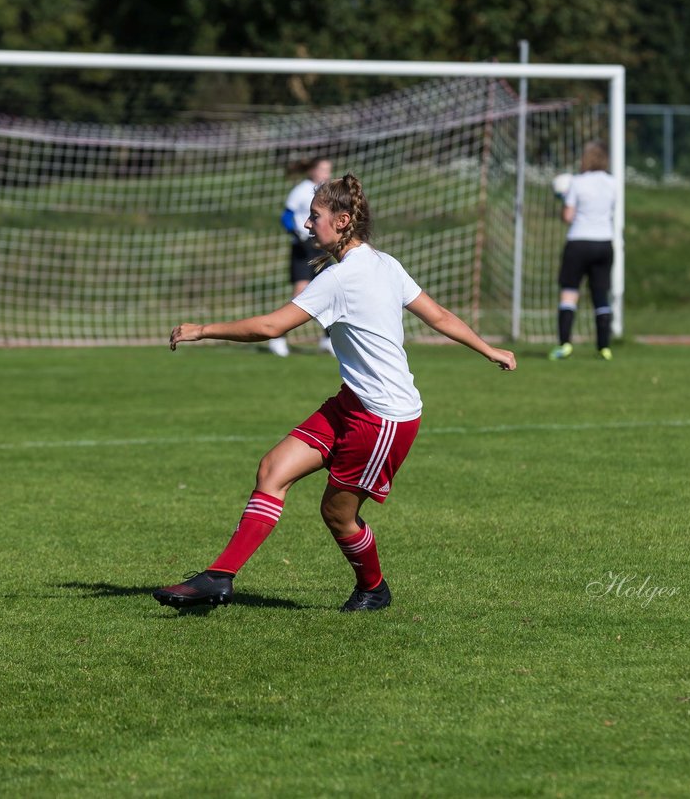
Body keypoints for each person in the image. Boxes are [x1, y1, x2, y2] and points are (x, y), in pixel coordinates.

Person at [154, 173, 516, 612]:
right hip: (352, 403)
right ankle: (219, 577)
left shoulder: (342, 279)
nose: (308, 225)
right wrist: (488, 348)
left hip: (383, 417)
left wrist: (203, 329)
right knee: (273, 469)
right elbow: (438, 315)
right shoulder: (383, 262)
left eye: (315, 217)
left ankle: (374, 589)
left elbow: (270, 327)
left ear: (343, 221)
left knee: (338, 515)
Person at [550, 140, 618, 361]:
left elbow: (568, 216)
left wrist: (562, 199)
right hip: (604, 243)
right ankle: (604, 347)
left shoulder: (577, 183)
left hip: (579, 242)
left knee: (569, 293)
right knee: (600, 295)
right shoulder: (612, 183)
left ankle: (565, 345)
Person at [269, 156, 334, 357]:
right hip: (303, 246)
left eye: (328, 169)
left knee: (328, 292)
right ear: (312, 170)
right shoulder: (301, 190)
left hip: (321, 247)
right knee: (301, 295)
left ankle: (328, 339)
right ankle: (277, 335)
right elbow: (286, 216)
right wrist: (296, 233)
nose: (326, 173)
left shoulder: (328, 191)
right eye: (322, 169)